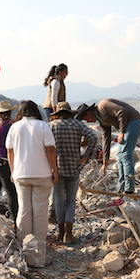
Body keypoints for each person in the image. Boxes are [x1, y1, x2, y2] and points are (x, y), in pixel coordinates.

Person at [6, 100, 58, 249]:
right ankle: (39, 245)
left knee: (24, 208)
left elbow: (10, 151)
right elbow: (50, 150)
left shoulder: (14, 127)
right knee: (41, 209)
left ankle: (24, 244)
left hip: (21, 174)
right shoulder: (43, 126)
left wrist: (13, 171)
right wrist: (55, 170)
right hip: (42, 174)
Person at [49, 102, 97, 243]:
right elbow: (93, 138)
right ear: (70, 113)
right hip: (74, 166)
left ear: (57, 114)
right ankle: (68, 234)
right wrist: (85, 156)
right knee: (71, 200)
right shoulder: (77, 125)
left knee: (59, 199)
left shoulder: (51, 126)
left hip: (57, 167)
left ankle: (60, 232)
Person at [76, 99, 140, 194]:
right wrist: (105, 163)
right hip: (127, 126)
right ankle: (121, 187)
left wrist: (121, 133)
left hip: (133, 122)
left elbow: (122, 112)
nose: (87, 121)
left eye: (85, 118)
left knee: (125, 154)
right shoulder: (102, 121)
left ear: (88, 112)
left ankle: (129, 188)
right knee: (119, 155)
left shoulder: (103, 106)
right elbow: (106, 140)